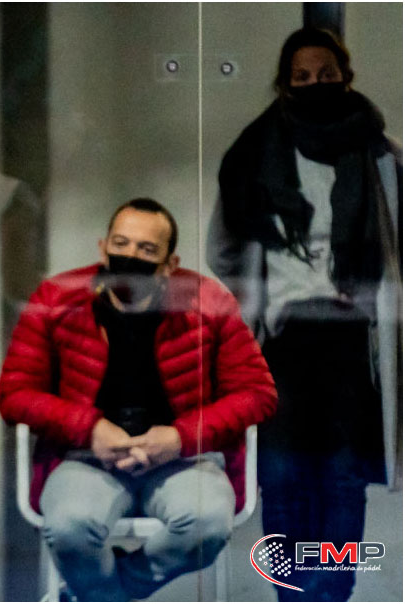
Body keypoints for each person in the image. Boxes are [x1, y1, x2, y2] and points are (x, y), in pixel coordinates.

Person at [0, 198, 276, 601]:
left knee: (207, 524)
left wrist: (180, 437)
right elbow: (15, 393)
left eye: (146, 250)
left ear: (169, 263)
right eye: (121, 244)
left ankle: (94, 596)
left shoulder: (208, 300)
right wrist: (89, 429)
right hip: (84, 458)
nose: (130, 256)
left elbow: (257, 394)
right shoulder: (58, 297)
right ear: (103, 248)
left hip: (185, 460)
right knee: (71, 527)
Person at [208, 27, 401, 602]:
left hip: (354, 335)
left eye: (326, 74)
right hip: (282, 335)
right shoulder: (253, 152)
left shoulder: (381, 154)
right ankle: (292, 596)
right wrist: (255, 296)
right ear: (284, 84)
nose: (316, 84)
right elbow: (225, 247)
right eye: (302, 76)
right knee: (283, 474)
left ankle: (333, 594)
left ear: (347, 77)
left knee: (343, 475)